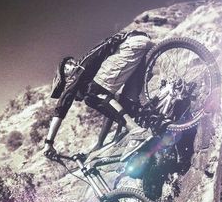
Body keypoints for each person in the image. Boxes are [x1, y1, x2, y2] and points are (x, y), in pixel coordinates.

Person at [44, 30, 160, 161]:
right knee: (126, 105)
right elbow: (109, 109)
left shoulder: (78, 70)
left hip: (130, 46)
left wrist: (49, 142)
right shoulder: (91, 71)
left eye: (76, 95)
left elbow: (62, 105)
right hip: (140, 44)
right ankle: (163, 107)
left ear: (67, 73)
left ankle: (137, 132)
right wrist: (100, 142)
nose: (78, 97)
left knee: (92, 95)